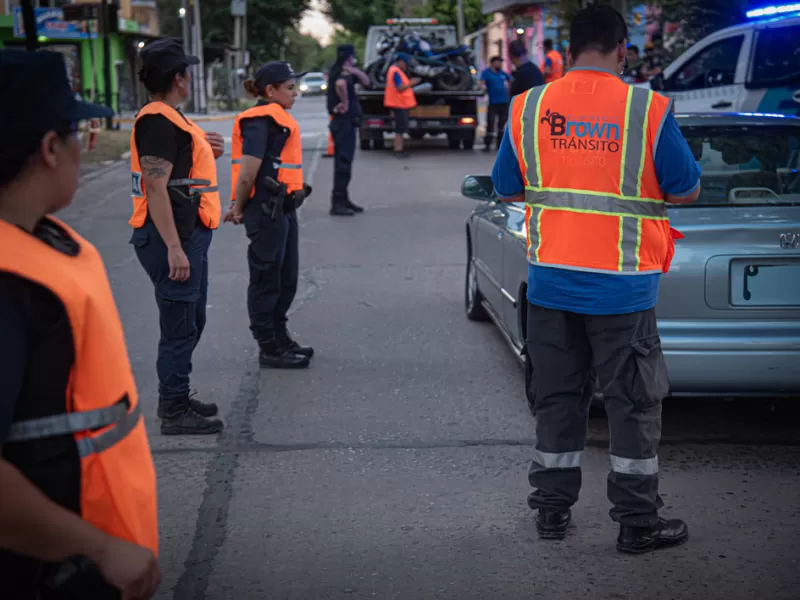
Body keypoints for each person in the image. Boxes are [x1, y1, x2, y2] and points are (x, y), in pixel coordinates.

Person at [492, 4, 701, 553]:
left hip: (552, 284)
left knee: (557, 398)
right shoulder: (646, 108)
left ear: (568, 47)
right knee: (632, 403)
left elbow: (507, 187)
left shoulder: (528, 104)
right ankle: (636, 523)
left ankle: (552, 512)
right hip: (622, 287)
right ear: (622, 48)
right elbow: (685, 189)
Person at [0, 49, 161, 599]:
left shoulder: (37, 240)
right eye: (80, 133)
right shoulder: (10, 283)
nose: (82, 147)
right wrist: (98, 549)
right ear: (49, 149)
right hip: (44, 571)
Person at [129, 37, 225, 435]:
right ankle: (173, 408)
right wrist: (173, 248)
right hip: (170, 237)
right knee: (179, 326)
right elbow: (155, 188)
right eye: (187, 71)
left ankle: (178, 395)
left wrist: (208, 148)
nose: (189, 77)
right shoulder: (156, 120)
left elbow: (180, 172)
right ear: (180, 79)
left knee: (191, 321)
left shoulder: (172, 118)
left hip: (188, 233)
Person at [225, 62, 315, 370]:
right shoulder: (259, 122)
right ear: (270, 91)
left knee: (286, 278)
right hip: (265, 211)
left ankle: (280, 335)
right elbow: (248, 173)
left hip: (284, 209)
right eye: (290, 88)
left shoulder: (278, 119)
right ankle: (268, 347)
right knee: (267, 280)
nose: (295, 94)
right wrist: (237, 207)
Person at [327, 44, 370, 216]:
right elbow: (340, 84)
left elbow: (367, 81)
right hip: (342, 123)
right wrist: (344, 102)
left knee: (345, 163)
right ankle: (337, 202)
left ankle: (343, 198)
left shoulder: (344, 69)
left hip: (346, 123)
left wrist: (354, 71)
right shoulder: (341, 72)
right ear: (349, 56)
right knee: (343, 164)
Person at [384, 53, 421, 159]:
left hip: (398, 103)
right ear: (401, 62)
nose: (406, 66)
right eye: (405, 64)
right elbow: (399, 88)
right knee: (400, 129)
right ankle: (398, 150)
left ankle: (399, 149)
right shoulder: (396, 72)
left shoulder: (394, 70)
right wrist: (412, 83)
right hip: (399, 104)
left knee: (400, 128)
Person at [479, 56, 511, 151]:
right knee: (491, 123)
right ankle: (487, 144)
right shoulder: (487, 73)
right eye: (498, 62)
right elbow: (482, 82)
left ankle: (499, 145)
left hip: (504, 102)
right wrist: (483, 87)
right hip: (493, 102)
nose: (500, 64)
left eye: (500, 62)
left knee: (501, 124)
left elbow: (510, 80)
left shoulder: (502, 73)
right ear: (492, 63)